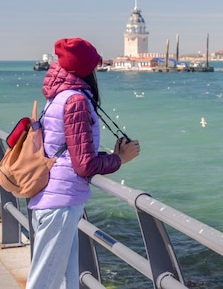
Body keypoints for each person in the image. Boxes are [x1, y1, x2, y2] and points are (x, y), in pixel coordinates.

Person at [26, 38, 140, 289]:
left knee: (66, 278)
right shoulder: (76, 101)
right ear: (86, 69)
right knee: (44, 281)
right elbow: (84, 165)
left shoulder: (58, 96)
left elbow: (71, 149)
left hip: (50, 195)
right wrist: (120, 159)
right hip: (61, 202)